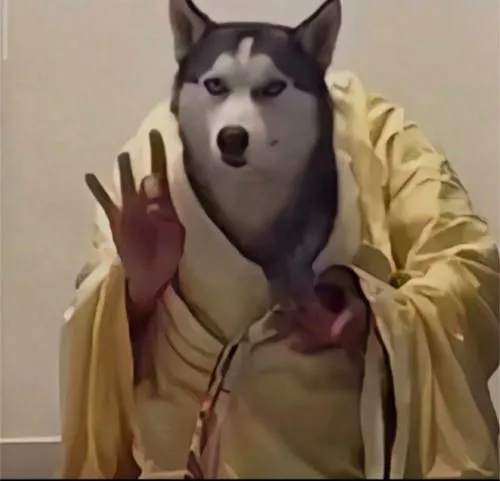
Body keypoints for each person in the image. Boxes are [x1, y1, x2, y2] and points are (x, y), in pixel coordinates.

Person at [59, 65, 499, 478]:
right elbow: (99, 337)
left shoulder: (375, 133)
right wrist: (135, 291)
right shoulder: (155, 152)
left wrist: (376, 318)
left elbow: (470, 269)